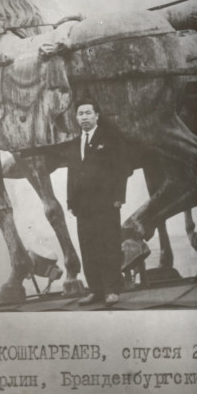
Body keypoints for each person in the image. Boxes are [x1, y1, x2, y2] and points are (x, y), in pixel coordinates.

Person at [67, 97, 132, 306]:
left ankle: (112, 290)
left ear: (97, 115)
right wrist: (71, 202)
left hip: (106, 203)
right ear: (76, 118)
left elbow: (123, 168)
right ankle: (95, 290)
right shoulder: (76, 143)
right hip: (83, 207)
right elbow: (72, 174)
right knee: (88, 248)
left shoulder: (110, 139)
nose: (84, 117)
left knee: (108, 245)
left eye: (88, 113)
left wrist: (118, 197)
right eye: (80, 114)